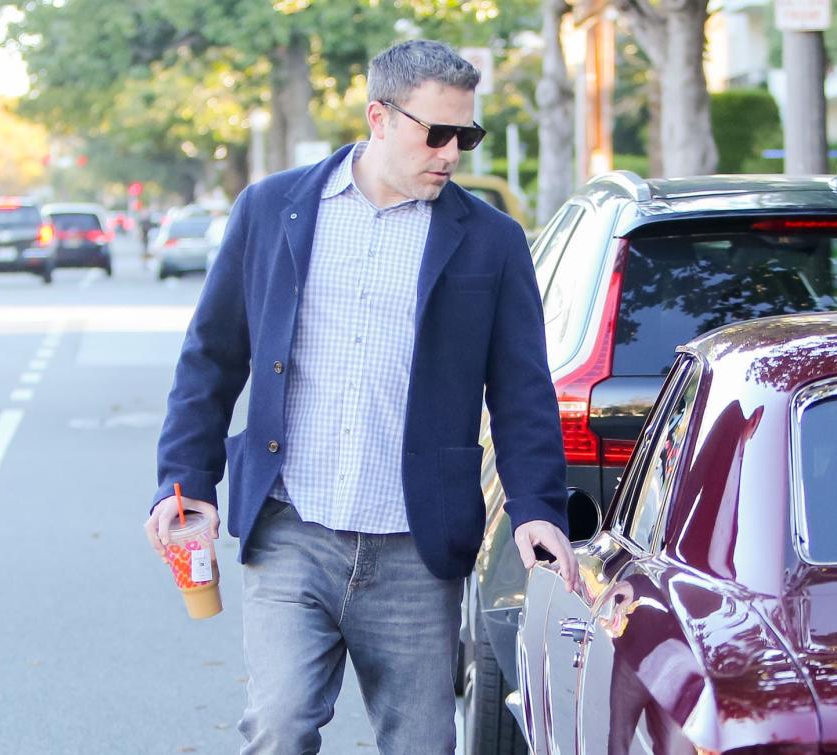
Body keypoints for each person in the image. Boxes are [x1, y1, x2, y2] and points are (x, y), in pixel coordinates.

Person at [145, 39, 578, 754]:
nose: (450, 153)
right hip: (292, 528)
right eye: (434, 133)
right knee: (278, 726)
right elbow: (212, 356)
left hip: (415, 545)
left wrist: (536, 508)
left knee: (420, 743)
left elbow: (522, 388)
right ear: (379, 117)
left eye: (465, 136)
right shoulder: (272, 209)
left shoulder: (492, 241)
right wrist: (182, 480)